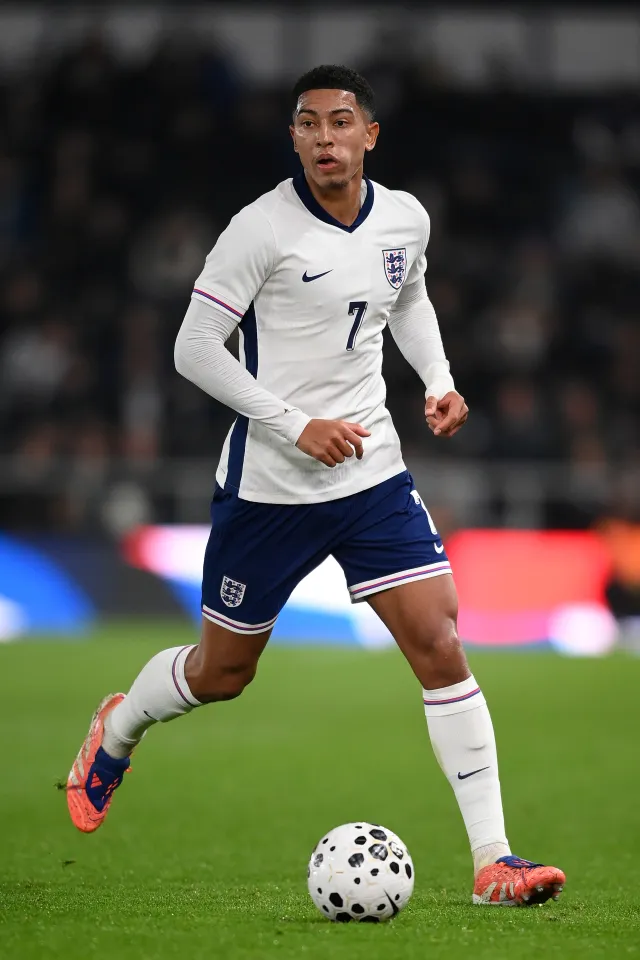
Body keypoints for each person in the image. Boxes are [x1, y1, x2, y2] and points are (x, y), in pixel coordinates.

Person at [65, 65, 564, 906]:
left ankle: (493, 862)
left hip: (371, 472)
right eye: (308, 125)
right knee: (224, 673)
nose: (325, 138)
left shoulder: (405, 217)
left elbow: (408, 295)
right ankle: (117, 727)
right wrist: (294, 425)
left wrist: (438, 379)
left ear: (370, 134)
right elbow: (194, 348)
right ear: (292, 139)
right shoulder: (259, 229)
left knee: (441, 643)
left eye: (340, 123)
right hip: (271, 485)